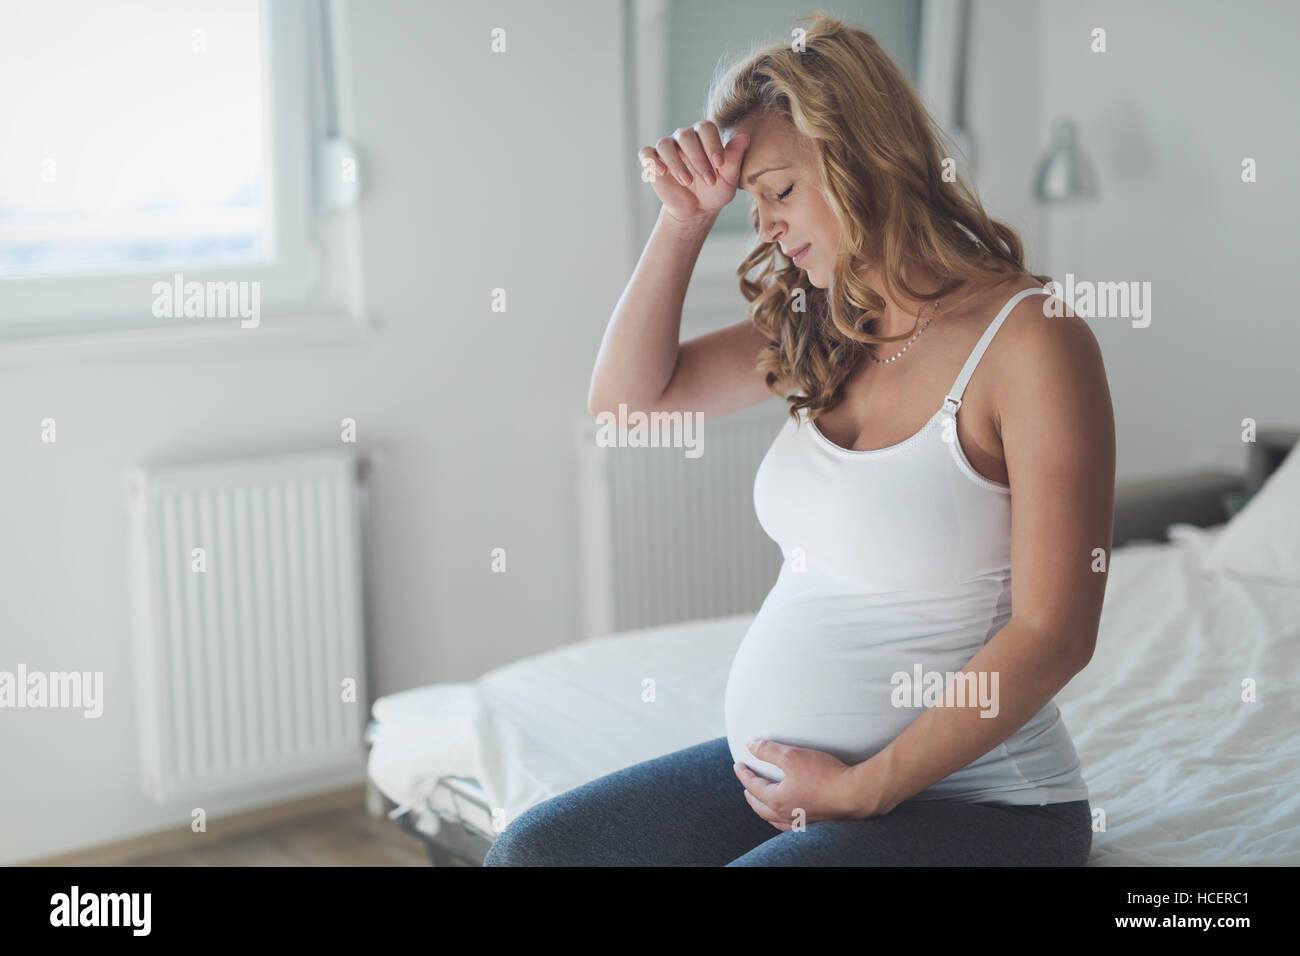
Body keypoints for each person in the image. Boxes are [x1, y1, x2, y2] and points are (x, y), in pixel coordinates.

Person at [485, 12, 1114, 866]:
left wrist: (865, 789)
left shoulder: (1032, 339)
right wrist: (682, 222)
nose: (766, 227)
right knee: (538, 852)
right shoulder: (826, 321)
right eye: (752, 206)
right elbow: (628, 403)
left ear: (864, 161)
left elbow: (1055, 633)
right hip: (792, 789)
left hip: (986, 808)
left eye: (778, 191)